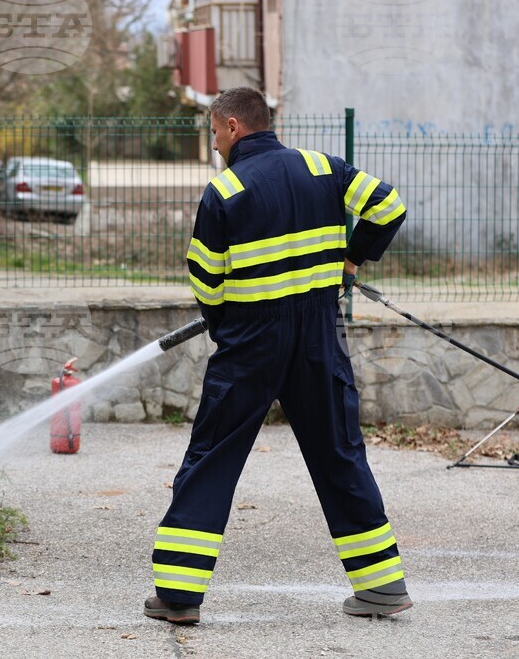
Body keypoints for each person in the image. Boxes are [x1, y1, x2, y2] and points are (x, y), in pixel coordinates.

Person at [144, 87, 410, 625]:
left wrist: (228, 329)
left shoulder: (225, 191)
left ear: (235, 127)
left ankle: (177, 596)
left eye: (216, 132)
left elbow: (206, 280)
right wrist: (352, 261)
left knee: (213, 457)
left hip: (250, 344)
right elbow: (390, 206)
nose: (215, 143)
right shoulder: (323, 167)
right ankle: (382, 586)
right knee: (339, 453)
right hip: (318, 335)